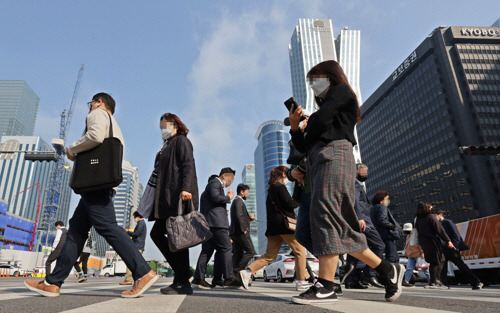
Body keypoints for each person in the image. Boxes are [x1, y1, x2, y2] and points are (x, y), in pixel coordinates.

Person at [283, 60, 405, 304]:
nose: (314, 85)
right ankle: (387, 270)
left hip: (334, 155)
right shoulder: (323, 110)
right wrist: (296, 128)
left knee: (327, 218)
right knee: (329, 228)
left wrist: (308, 125)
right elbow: (302, 147)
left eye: (316, 79)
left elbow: (321, 123)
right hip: (319, 162)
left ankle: (326, 285)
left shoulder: (341, 92)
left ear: (330, 76)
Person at [25, 93, 157, 298]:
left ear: (100, 102)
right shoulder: (114, 124)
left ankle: (143, 272)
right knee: (76, 232)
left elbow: (95, 136)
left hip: (94, 184)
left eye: (91, 103)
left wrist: (73, 150)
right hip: (99, 184)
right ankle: (53, 282)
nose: (91, 107)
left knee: (107, 227)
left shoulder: (98, 114)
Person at [148, 113, 199, 295]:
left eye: (165, 125)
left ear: (175, 126)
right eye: (161, 126)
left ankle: (183, 280)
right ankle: (182, 278)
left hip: (178, 196)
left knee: (175, 238)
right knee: (175, 239)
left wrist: (186, 189)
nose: (163, 129)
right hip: (167, 198)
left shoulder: (181, 141)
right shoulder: (166, 145)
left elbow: (188, 165)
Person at [239, 166, 309, 292]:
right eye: (287, 173)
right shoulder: (280, 187)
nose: (288, 176)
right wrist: (299, 190)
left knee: (269, 256)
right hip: (285, 226)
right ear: (282, 174)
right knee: (300, 252)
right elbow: (291, 204)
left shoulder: (271, 189)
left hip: (273, 228)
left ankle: (248, 271)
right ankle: (301, 281)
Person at [193, 167, 238, 289]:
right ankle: (229, 278)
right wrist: (229, 197)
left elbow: (213, 203)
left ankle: (202, 278)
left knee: (209, 251)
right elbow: (216, 198)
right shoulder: (214, 183)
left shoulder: (213, 187)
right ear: (224, 175)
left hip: (211, 223)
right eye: (231, 179)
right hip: (216, 224)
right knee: (227, 248)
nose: (230, 182)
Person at [345, 164, 385, 289]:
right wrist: (359, 217)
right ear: (357, 170)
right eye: (365, 171)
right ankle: (369, 274)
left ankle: (352, 280)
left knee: (356, 248)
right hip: (363, 220)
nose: (366, 173)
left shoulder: (354, 182)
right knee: (379, 245)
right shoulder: (354, 183)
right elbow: (354, 200)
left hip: (360, 218)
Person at [434, 210, 483, 290]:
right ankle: (445, 285)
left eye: (435, 215)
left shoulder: (447, 222)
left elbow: (456, 235)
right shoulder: (436, 225)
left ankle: (476, 282)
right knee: (442, 268)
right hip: (442, 248)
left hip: (451, 248)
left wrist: (455, 247)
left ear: (440, 214)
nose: (434, 218)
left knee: (461, 266)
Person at [414, 202, 454, 288]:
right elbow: (440, 230)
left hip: (424, 242)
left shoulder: (418, 219)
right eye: (430, 208)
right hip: (433, 241)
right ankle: (433, 282)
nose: (431, 209)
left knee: (439, 260)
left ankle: (435, 281)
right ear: (427, 208)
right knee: (437, 261)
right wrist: (448, 240)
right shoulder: (430, 217)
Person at [230, 184, 256, 274]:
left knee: (238, 254)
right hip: (240, 231)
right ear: (242, 192)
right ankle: (238, 271)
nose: (248, 194)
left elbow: (240, 216)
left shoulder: (237, 201)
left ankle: (234, 277)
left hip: (235, 232)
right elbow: (238, 215)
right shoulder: (238, 201)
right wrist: (244, 229)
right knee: (251, 251)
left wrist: (249, 219)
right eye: (247, 192)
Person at [370, 191, 401, 263]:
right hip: (387, 235)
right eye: (387, 199)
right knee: (392, 258)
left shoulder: (372, 209)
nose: (388, 201)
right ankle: (391, 273)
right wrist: (393, 226)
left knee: (386, 257)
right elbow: (382, 220)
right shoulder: (382, 207)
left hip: (379, 235)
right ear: (381, 201)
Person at [120, 211, 147, 285]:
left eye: (134, 216)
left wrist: (128, 232)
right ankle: (130, 279)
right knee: (135, 263)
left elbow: (136, 234)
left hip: (137, 245)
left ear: (137, 216)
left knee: (131, 262)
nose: (134, 218)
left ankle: (129, 279)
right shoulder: (142, 223)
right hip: (139, 245)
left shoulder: (140, 223)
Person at [402, 223, 430, 287]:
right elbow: (407, 245)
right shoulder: (408, 235)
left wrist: (422, 252)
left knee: (425, 269)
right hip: (411, 255)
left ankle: (431, 281)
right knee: (409, 268)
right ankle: (406, 281)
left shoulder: (416, 234)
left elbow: (421, 244)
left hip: (418, 254)